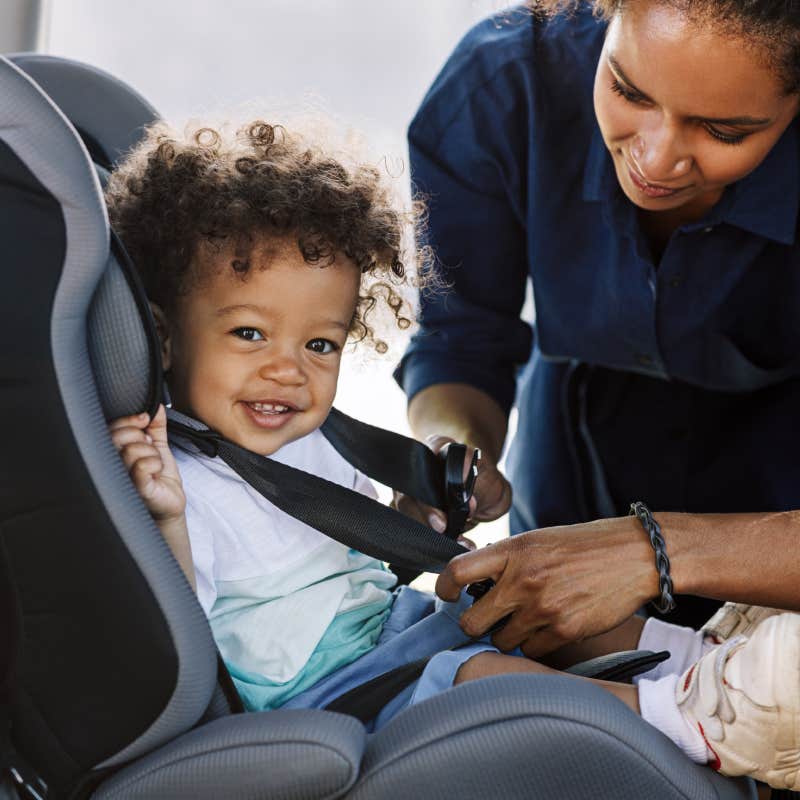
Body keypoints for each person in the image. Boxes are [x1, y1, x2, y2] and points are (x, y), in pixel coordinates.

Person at [104, 117, 798, 790]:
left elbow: (350, 563)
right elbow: (178, 643)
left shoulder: (305, 435)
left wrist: (414, 514)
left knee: (529, 598)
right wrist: (164, 517)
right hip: (323, 692)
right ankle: (682, 715)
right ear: (164, 338)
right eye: (250, 334)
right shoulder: (177, 480)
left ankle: (703, 662)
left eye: (319, 345)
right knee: (483, 681)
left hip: (385, 635)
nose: (288, 371)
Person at [392, 0, 800, 789]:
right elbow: (460, 338)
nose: (656, 157)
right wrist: (449, 453)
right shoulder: (504, 82)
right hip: (579, 454)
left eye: (722, 132)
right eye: (629, 90)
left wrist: (656, 550)